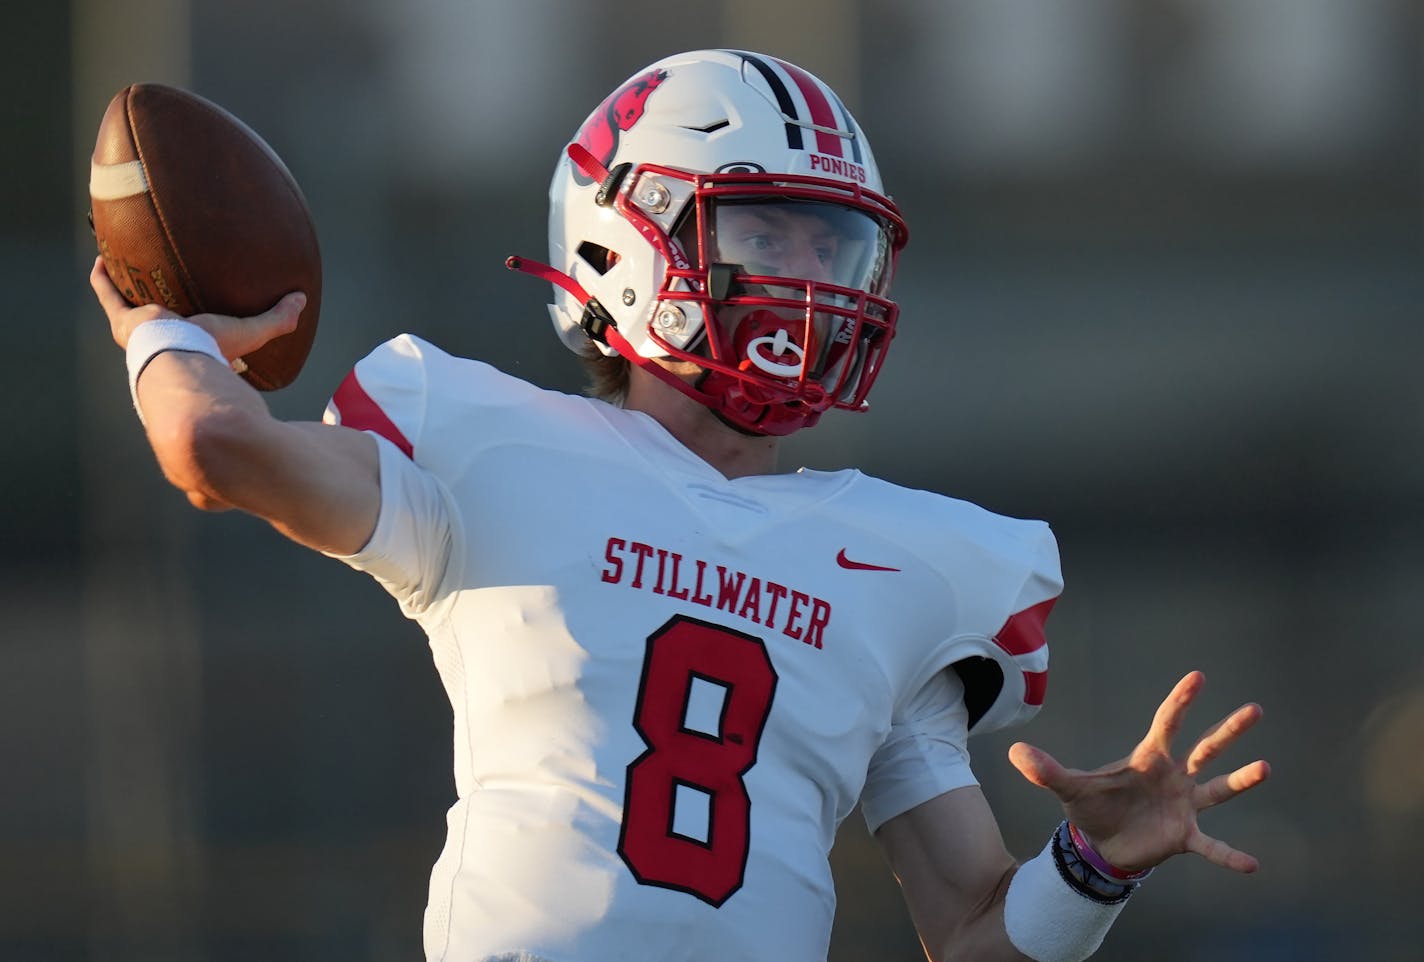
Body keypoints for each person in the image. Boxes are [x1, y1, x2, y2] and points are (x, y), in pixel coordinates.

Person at [90, 49, 1269, 962]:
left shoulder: (906, 561)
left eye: (832, 245)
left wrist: (1089, 865)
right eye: (768, 232)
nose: (809, 282)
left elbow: (968, 930)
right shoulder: (482, 445)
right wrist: (160, 323)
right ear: (624, 239)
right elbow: (209, 442)